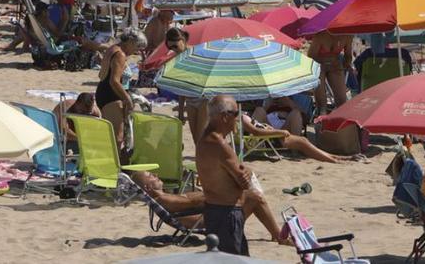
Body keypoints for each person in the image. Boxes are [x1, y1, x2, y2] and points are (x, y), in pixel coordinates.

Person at [129, 171, 288, 245]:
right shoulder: (163, 199)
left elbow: (197, 201)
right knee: (255, 197)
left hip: (213, 217)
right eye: (151, 176)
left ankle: (277, 234)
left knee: (252, 195)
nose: (156, 174)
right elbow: (197, 202)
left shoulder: (166, 198)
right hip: (215, 224)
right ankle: (279, 236)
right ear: (148, 187)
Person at [197, 96, 255, 255]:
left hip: (215, 211)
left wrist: (245, 172)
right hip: (226, 213)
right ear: (224, 116)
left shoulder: (206, 138)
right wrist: (247, 172)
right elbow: (244, 182)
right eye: (236, 113)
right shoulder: (219, 144)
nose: (239, 118)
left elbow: (241, 173)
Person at [96, 30, 146, 152]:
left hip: (104, 92)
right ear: (130, 42)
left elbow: (101, 74)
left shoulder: (113, 48)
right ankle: (114, 167)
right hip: (112, 96)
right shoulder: (120, 55)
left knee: (113, 134)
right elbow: (114, 81)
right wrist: (127, 99)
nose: (137, 51)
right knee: (117, 137)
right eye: (137, 46)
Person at [239, 112, 347, 164]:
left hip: (269, 137)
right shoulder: (241, 118)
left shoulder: (239, 116)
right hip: (269, 139)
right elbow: (256, 132)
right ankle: (334, 159)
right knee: (303, 142)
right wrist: (279, 132)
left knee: (303, 141)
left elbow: (255, 130)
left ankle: (334, 157)